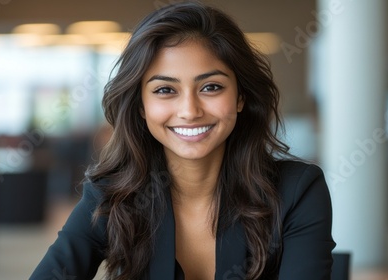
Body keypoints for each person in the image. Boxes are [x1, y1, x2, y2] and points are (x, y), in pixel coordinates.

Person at [31, 2, 335, 279]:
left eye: (211, 87)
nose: (190, 111)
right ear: (141, 106)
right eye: (165, 90)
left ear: (240, 97)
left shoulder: (296, 191)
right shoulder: (111, 195)